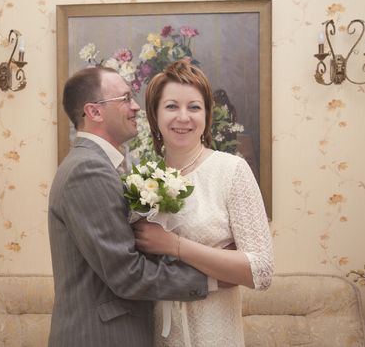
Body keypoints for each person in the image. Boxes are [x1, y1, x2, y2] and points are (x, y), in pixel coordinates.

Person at [47, 66, 213, 347]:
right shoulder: (88, 169)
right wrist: (211, 278)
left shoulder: (99, 165)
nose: (136, 106)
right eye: (125, 99)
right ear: (95, 112)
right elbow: (128, 275)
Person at [134, 60, 274, 347]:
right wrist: (219, 265)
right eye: (171, 106)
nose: (183, 117)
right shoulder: (143, 181)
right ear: (155, 116)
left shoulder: (231, 171)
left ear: (207, 116)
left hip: (215, 334)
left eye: (194, 107)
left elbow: (260, 270)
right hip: (154, 333)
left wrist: (174, 246)